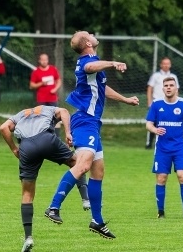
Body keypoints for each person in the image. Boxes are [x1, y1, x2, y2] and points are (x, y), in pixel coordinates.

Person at [44, 31, 139, 239]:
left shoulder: (94, 63)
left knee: (98, 172)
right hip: (84, 120)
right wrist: (113, 63)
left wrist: (125, 100)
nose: (94, 35)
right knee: (83, 165)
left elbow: (102, 89)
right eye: (90, 35)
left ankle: (97, 221)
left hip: (93, 123)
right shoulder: (86, 62)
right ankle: (53, 207)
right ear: (88, 43)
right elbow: (89, 67)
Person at [0, 105, 90, 252]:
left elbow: (3, 128)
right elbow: (65, 112)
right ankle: (85, 199)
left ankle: (28, 238)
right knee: (77, 163)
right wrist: (68, 132)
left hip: (26, 147)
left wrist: (14, 149)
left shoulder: (20, 115)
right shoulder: (47, 109)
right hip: (46, 139)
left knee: (27, 194)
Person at [145, 76, 183, 220]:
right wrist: (155, 130)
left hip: (180, 148)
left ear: (176, 88)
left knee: (182, 177)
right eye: (166, 85)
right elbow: (148, 124)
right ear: (163, 89)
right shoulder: (156, 105)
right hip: (162, 149)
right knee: (161, 179)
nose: (168, 87)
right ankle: (160, 212)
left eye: (171, 85)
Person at [145, 57, 178, 149]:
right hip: (157, 103)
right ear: (161, 65)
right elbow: (149, 89)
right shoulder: (156, 76)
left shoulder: (173, 77)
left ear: (170, 65)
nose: (166, 65)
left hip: (169, 104)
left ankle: (169, 142)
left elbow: (176, 90)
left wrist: (176, 102)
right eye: (164, 63)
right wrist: (149, 102)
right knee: (152, 123)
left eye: (168, 63)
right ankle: (149, 143)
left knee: (170, 123)